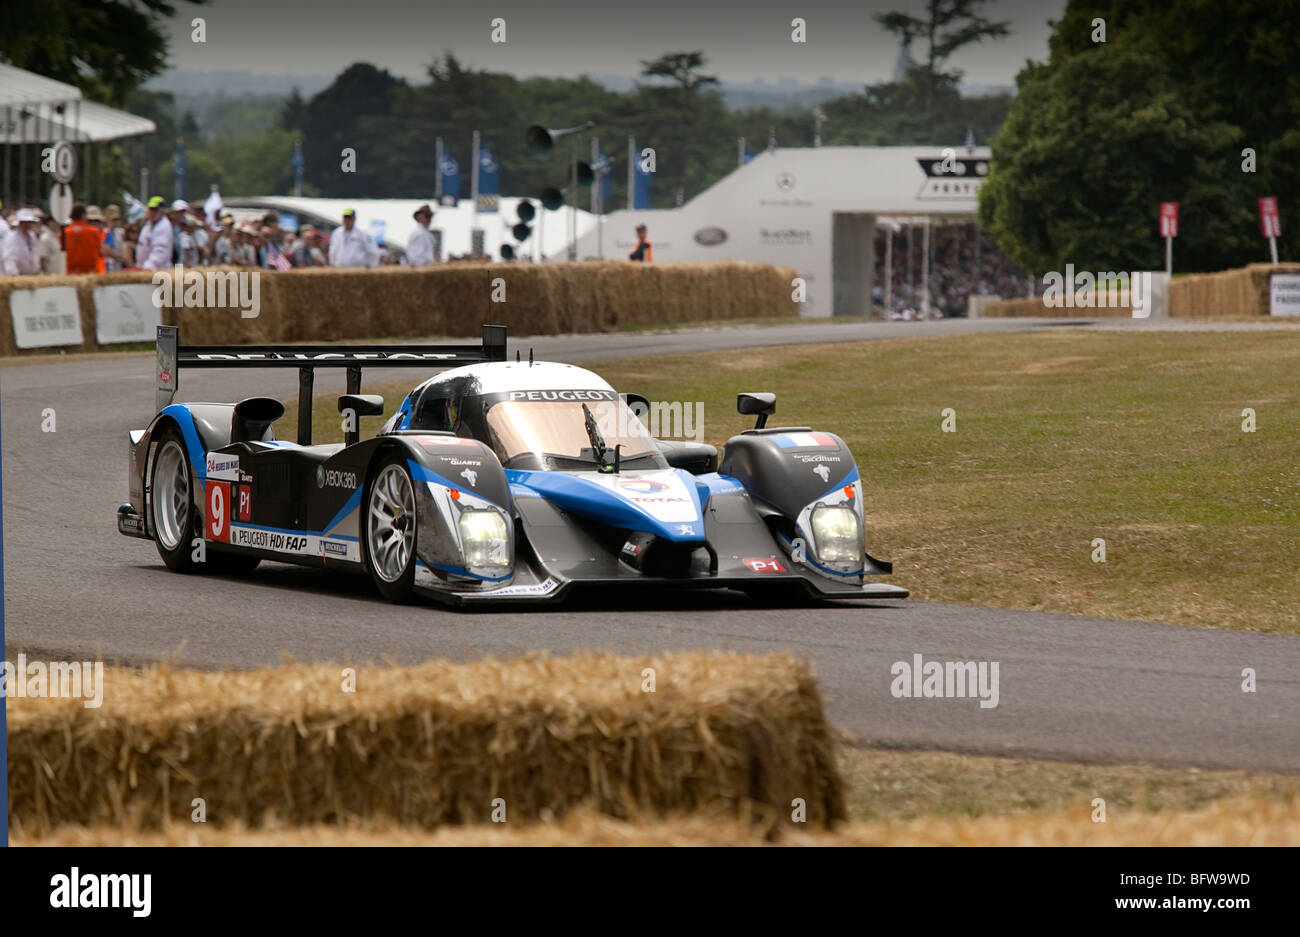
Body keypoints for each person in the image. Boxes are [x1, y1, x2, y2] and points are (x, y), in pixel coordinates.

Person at [136, 196, 174, 270]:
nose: (152, 212)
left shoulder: (164, 227)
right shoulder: (148, 225)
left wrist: (147, 267)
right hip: (144, 269)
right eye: (150, 209)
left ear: (162, 211)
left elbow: (160, 252)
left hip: (158, 271)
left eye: (155, 210)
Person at [64, 204, 104, 275]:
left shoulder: (65, 232)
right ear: (83, 216)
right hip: (90, 272)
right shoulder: (93, 232)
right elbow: (100, 252)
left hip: (72, 273)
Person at [4, 208, 43, 275]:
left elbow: (35, 254)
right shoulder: (12, 237)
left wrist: (36, 269)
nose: (27, 225)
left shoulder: (32, 236)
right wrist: (14, 273)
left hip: (32, 274)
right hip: (18, 275)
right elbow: (9, 258)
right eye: (24, 222)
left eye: (29, 222)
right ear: (20, 223)